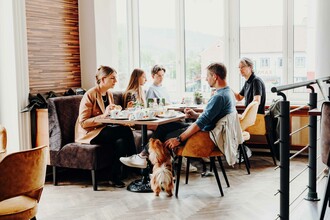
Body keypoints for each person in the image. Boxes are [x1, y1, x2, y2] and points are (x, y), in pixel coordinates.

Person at [120, 62, 236, 169]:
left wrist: (178, 139)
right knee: (164, 126)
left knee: (166, 136)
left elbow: (200, 124)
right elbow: (210, 117)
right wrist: (195, 115)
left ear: (215, 76)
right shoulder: (227, 92)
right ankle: (146, 158)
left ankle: (157, 166)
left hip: (204, 136)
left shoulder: (219, 97)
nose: (206, 79)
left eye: (208, 76)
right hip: (208, 131)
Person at [75, 65, 137, 188]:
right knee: (124, 130)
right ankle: (136, 163)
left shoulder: (108, 94)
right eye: (112, 78)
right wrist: (104, 115)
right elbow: (84, 122)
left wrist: (122, 110)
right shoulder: (90, 95)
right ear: (103, 79)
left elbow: (111, 115)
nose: (116, 81)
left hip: (103, 130)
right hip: (90, 133)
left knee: (120, 141)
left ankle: (115, 177)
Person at [146, 64, 197, 172]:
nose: (161, 78)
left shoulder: (163, 88)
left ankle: (180, 158)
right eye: (159, 76)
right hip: (159, 118)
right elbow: (151, 108)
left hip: (167, 115)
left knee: (185, 122)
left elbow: (168, 103)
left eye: (162, 75)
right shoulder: (151, 89)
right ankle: (180, 159)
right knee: (174, 128)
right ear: (153, 76)